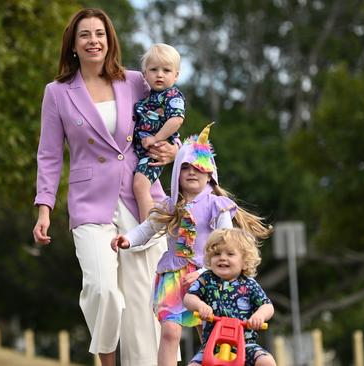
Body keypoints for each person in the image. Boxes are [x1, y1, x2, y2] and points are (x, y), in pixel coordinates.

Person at [32, 8, 180, 366]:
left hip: (141, 200)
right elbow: (50, 156)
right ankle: (107, 361)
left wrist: (174, 150)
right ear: (73, 44)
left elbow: (169, 115)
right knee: (103, 290)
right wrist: (44, 209)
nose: (93, 40)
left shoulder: (134, 81)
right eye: (85, 34)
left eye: (100, 33)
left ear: (109, 40)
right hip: (89, 204)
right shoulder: (57, 93)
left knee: (145, 306)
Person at [111, 124, 272, 366]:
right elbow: (147, 228)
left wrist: (205, 272)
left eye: (199, 168)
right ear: (176, 173)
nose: (192, 172)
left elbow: (227, 241)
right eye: (185, 167)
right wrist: (128, 239)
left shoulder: (217, 205)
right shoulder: (169, 206)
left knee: (211, 337)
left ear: (210, 174)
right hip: (173, 277)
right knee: (170, 332)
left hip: (208, 279)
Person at [183, 228, 276, 366]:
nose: (222, 257)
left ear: (245, 261)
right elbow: (188, 298)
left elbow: (267, 306)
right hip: (212, 345)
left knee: (266, 361)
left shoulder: (249, 284)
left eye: (230, 254)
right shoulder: (206, 279)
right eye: (216, 254)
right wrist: (200, 306)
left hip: (245, 344)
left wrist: (259, 316)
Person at [133, 43, 185, 221]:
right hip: (142, 151)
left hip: (156, 150)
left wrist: (156, 138)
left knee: (140, 185)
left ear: (176, 75)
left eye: (166, 70)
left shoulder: (172, 96)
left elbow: (176, 120)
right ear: (145, 74)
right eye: (154, 69)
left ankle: (146, 227)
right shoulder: (147, 97)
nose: (160, 74)